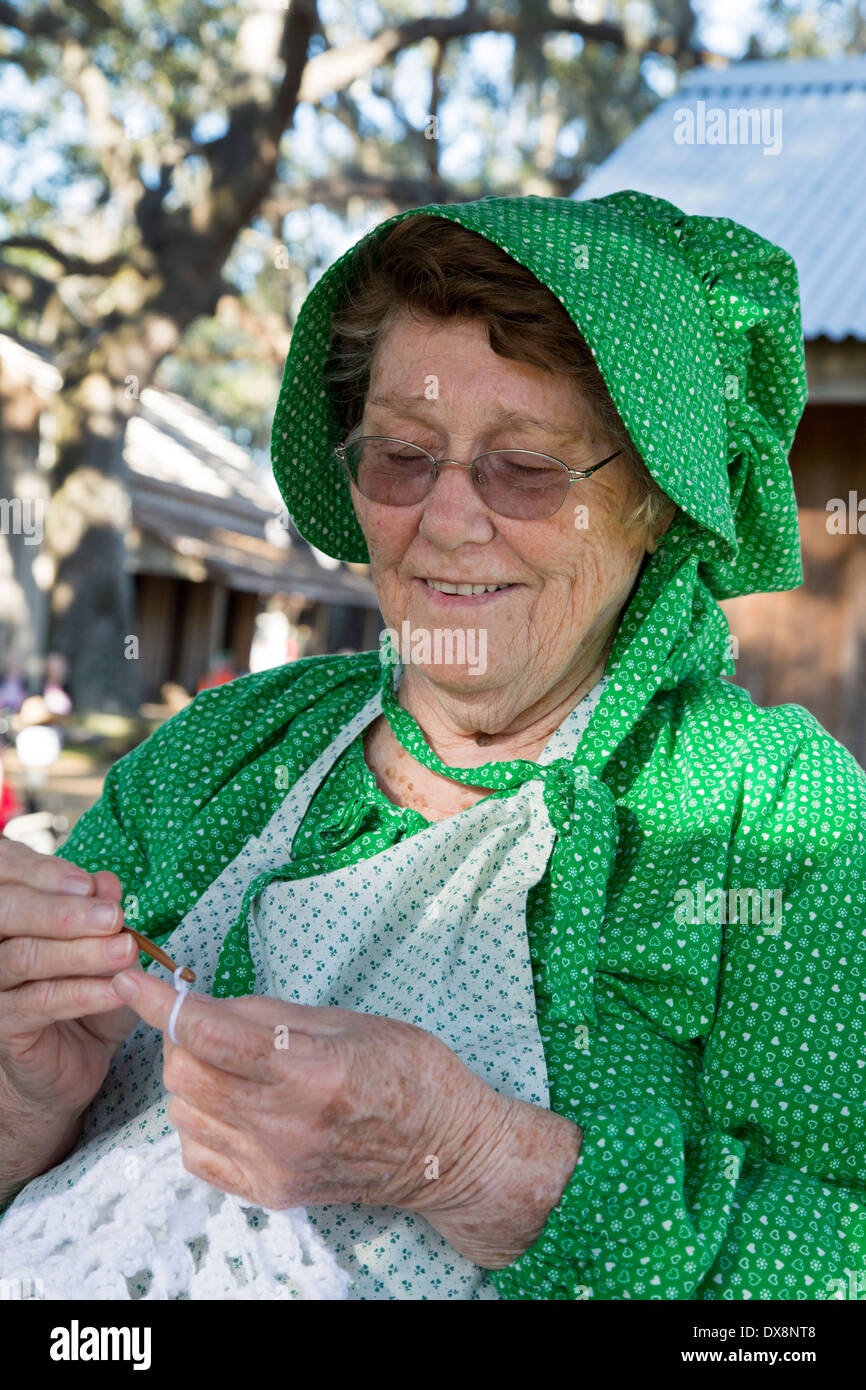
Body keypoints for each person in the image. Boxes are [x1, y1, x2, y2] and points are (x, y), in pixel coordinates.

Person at [0, 191, 863, 1301]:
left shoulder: (772, 816)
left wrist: (468, 1160)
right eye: (404, 455)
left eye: (526, 467)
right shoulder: (221, 753)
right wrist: (33, 1095)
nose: (447, 520)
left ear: (654, 500)